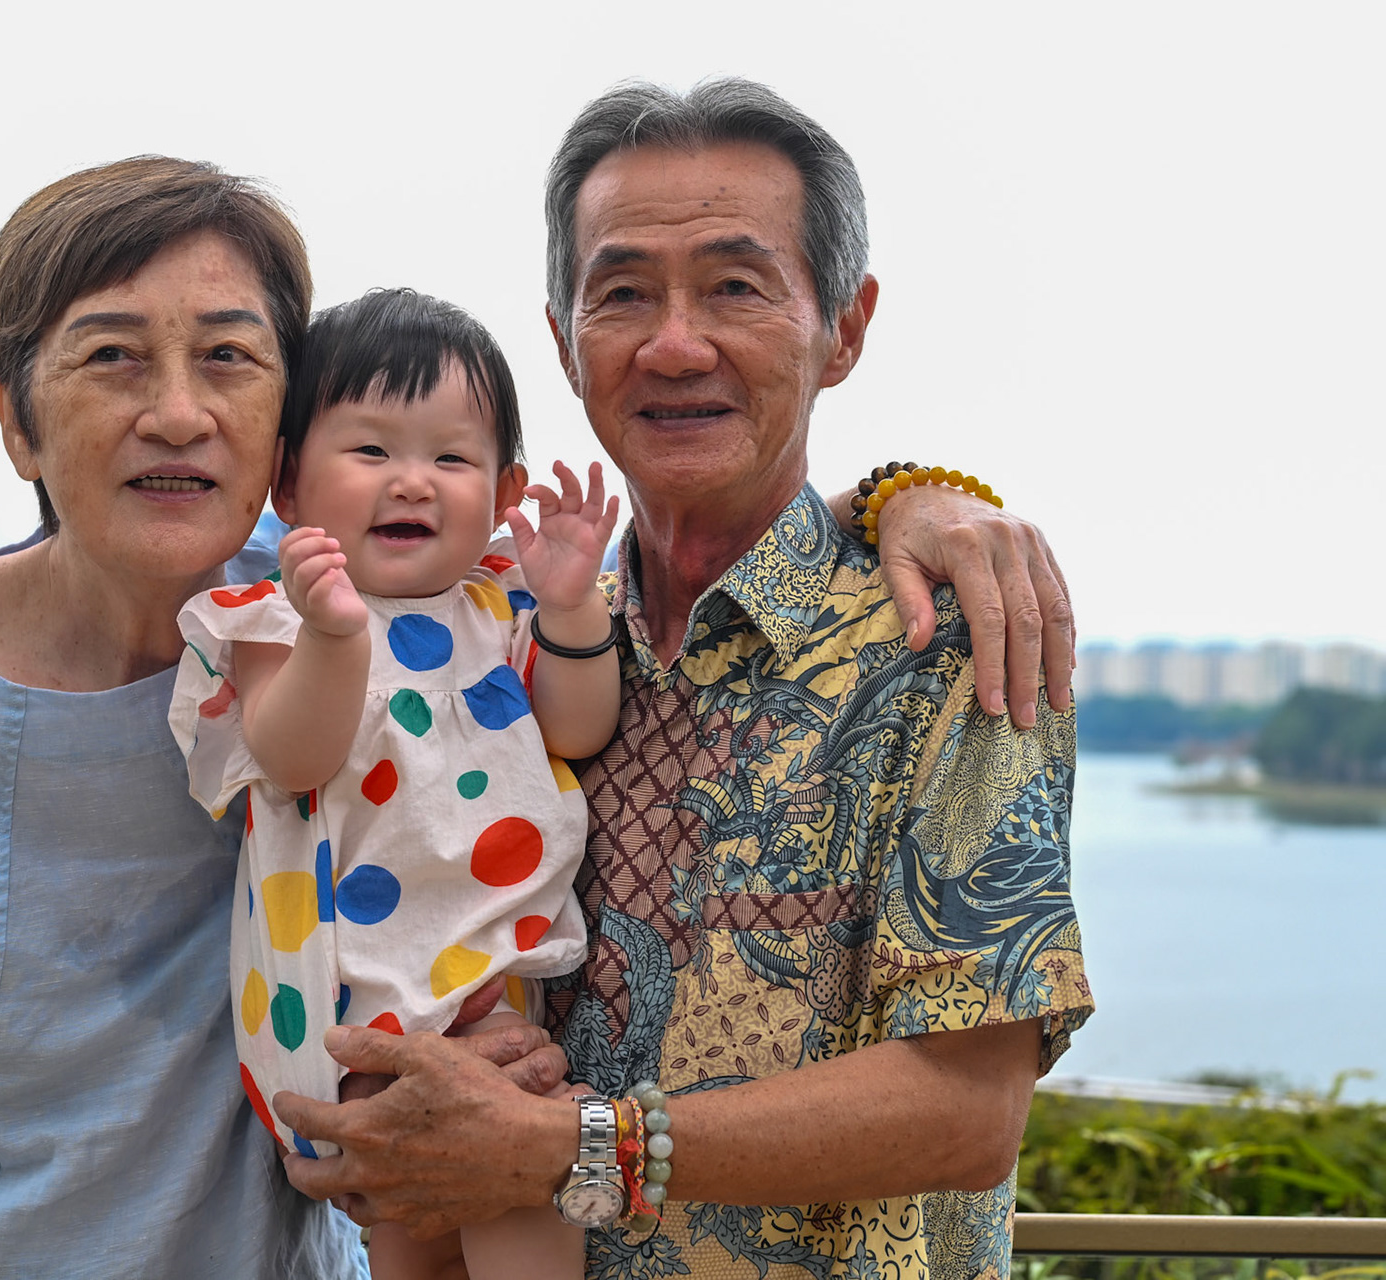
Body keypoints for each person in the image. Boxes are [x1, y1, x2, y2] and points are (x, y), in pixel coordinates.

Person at [0, 150, 1078, 1278]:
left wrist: (913, 498)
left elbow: (667, 559)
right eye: (112, 356)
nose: (179, 413)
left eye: (229, 358)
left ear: (281, 426)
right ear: (16, 417)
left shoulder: (427, 615)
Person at [276, 79, 1094, 1280]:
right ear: (563, 342)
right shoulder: (520, 639)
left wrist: (567, 1146)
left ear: (845, 329)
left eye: (735, 286)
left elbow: (969, 1108)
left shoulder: (947, 639)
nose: (673, 343)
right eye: (621, 293)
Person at [171, 287, 623, 1278]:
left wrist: (571, 610)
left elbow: (578, 727)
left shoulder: (499, 607)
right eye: (371, 450)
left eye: (451, 458)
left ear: (504, 493)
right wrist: (335, 635)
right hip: (353, 1007)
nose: (412, 481)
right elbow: (294, 755)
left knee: (476, 1197)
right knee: (459, 1188)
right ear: (290, 481)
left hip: (492, 986)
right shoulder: (274, 620)